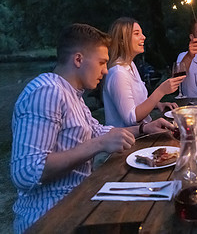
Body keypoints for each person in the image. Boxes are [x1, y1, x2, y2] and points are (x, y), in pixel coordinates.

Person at [10, 24, 174, 233]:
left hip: (80, 202)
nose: (106, 71)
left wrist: (144, 129)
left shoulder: (72, 95)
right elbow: (26, 172)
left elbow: (98, 131)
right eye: (102, 63)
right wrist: (97, 145)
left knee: (164, 195)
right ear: (78, 59)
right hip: (50, 218)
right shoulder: (46, 92)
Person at [103, 17, 185, 127]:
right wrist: (161, 91)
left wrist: (158, 104)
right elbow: (132, 118)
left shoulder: (130, 65)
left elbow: (136, 101)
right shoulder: (118, 74)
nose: (144, 37)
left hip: (144, 132)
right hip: (131, 141)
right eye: (137, 34)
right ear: (122, 40)